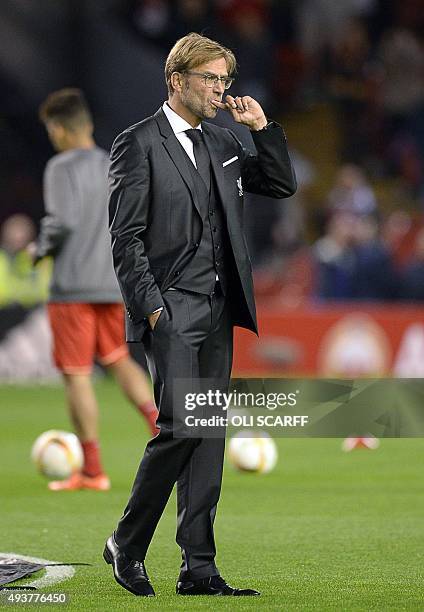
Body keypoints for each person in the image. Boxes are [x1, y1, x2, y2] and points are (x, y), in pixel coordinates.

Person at [105, 32, 296, 596]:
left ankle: (199, 568)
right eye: (209, 79)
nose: (219, 90)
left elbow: (281, 184)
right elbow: (126, 238)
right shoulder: (137, 144)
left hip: (218, 308)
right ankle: (128, 542)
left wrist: (261, 130)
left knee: (207, 435)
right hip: (171, 307)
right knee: (183, 426)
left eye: (223, 80)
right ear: (176, 80)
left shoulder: (223, 140)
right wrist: (153, 309)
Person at [30, 88, 159, 492]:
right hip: (112, 281)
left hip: (73, 286)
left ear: (59, 128)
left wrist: (41, 248)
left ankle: (91, 470)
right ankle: (164, 433)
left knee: (77, 374)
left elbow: (62, 221)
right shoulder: (115, 162)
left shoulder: (60, 166)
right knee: (119, 359)